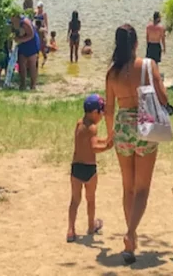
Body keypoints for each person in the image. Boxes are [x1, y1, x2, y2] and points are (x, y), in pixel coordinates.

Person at [105, 24, 169, 264]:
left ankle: (131, 240)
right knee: (142, 188)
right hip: (145, 125)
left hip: (122, 126)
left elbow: (109, 108)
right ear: (135, 44)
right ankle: (130, 234)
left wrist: (111, 133)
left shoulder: (112, 73)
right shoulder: (148, 65)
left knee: (127, 187)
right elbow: (163, 96)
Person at [68, 94, 110, 242]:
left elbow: (88, 141)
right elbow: (93, 147)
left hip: (76, 167)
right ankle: (91, 226)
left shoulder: (79, 124)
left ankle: (71, 230)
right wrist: (107, 146)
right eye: (101, 112)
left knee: (75, 199)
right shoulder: (93, 128)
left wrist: (106, 139)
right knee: (90, 199)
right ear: (94, 112)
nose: (103, 115)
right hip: (89, 169)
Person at [11, 14, 40, 91]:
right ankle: (22, 84)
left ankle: (33, 85)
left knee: (32, 65)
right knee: (21, 64)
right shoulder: (12, 23)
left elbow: (31, 35)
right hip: (22, 44)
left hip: (31, 43)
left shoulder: (25, 22)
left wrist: (21, 40)